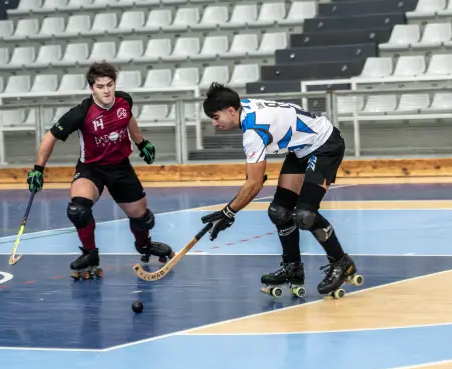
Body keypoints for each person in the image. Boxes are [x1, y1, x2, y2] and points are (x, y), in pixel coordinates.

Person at [200, 82, 361, 298]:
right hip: (301, 148)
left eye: (216, 117)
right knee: (279, 211)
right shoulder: (243, 107)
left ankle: (342, 263)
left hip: (324, 145)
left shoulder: (253, 132)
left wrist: (228, 212)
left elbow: (254, 184)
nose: (213, 122)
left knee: (305, 215)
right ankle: (292, 267)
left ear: (231, 110)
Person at [26, 61, 174, 280]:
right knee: (78, 209)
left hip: (121, 167)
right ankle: (90, 254)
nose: (106, 90)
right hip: (91, 169)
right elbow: (50, 137)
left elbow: (128, 118)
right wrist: (38, 169)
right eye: (100, 86)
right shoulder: (81, 112)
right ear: (91, 88)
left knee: (143, 218)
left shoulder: (125, 101)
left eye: (110, 85)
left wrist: (141, 142)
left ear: (115, 84)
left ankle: (144, 246)